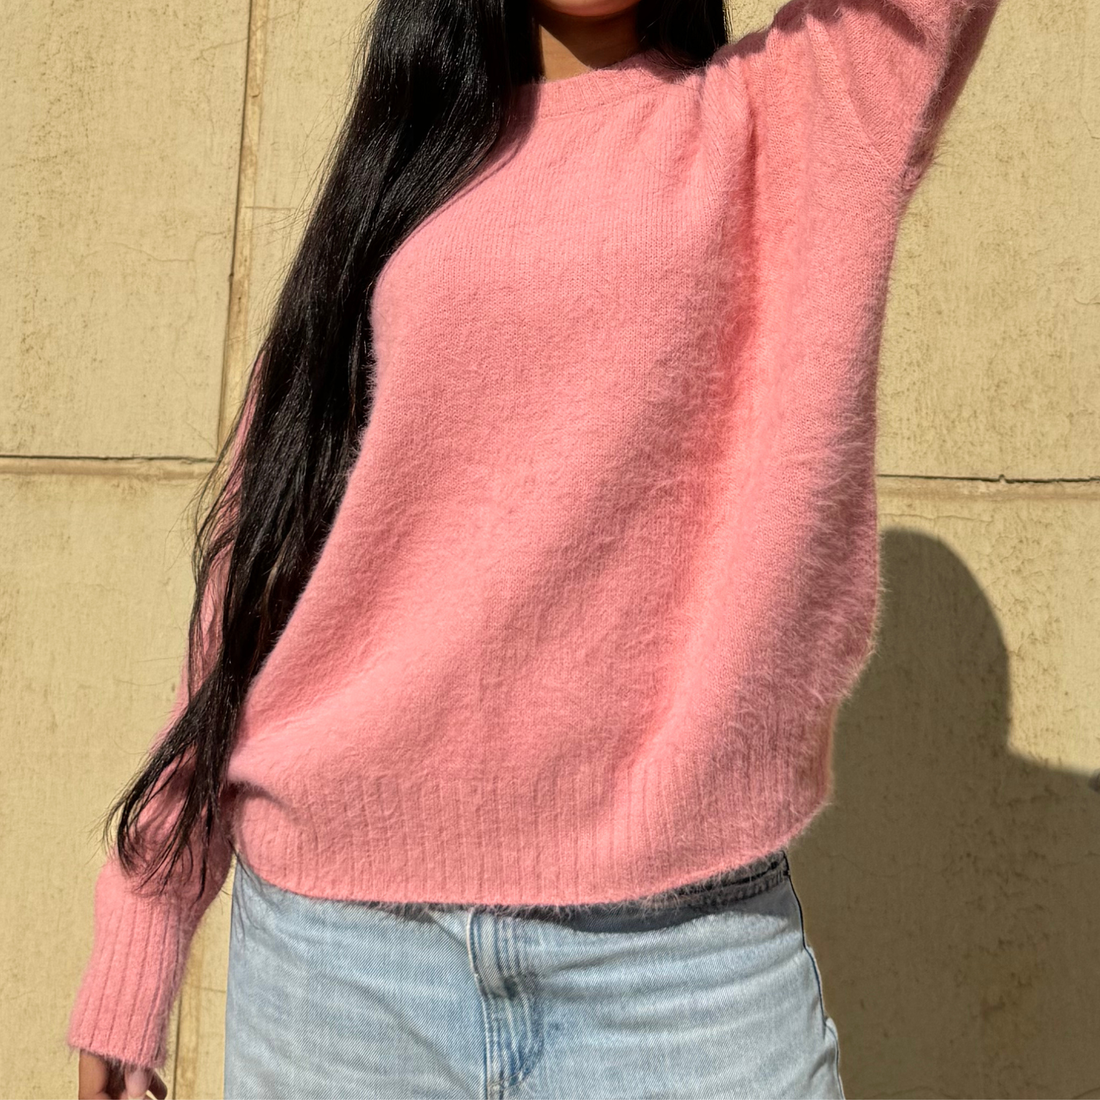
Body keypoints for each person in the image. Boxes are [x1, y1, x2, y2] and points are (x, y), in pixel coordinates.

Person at [69, 0, 1003, 1095]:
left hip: (679, 966)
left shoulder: (794, 113)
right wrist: (143, 925)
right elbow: (260, 566)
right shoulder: (401, 173)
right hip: (340, 963)